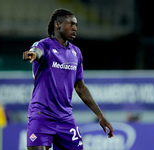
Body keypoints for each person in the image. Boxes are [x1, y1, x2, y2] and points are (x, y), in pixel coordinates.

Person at [23, 8, 114, 150]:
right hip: (42, 116)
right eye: (71, 24)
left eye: (76, 25)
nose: (75, 28)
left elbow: (80, 87)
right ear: (58, 25)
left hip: (65, 118)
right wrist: (33, 54)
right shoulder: (44, 45)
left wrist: (100, 115)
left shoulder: (76, 52)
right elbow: (37, 52)